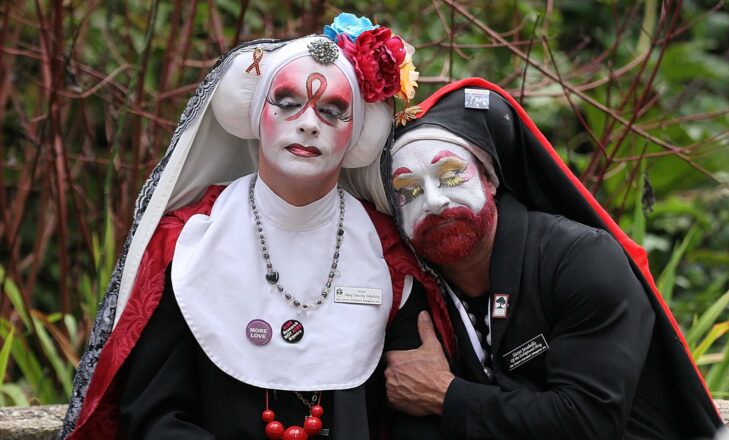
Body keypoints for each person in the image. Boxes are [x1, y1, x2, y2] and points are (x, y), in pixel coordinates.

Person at [58, 13, 456, 439]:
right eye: (287, 102)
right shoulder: (187, 241)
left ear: (357, 135)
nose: (308, 123)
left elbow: (413, 413)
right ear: (254, 113)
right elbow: (155, 414)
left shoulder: (387, 255)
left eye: (332, 111)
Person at [351, 79, 724, 439]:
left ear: (490, 179)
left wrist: (447, 396)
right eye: (409, 190)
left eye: (450, 176)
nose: (433, 201)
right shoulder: (417, 291)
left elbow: (588, 422)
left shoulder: (581, 259)